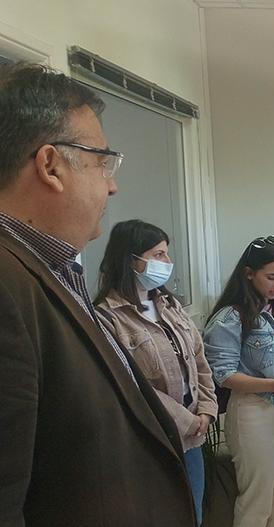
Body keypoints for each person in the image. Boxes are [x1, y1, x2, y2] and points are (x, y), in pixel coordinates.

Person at [0, 62, 194, 525]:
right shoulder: (8, 286)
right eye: (102, 162)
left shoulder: (50, 271)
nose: (112, 185)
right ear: (50, 166)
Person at [94, 219, 219, 524]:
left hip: (193, 437)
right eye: (158, 255)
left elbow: (198, 360)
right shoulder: (108, 316)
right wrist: (185, 421)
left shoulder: (170, 304)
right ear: (131, 260)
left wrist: (206, 409)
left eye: (167, 253)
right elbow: (131, 383)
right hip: (153, 438)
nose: (167, 262)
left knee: (193, 515)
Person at [205, 235, 274, 527]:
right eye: (271, 277)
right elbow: (224, 374)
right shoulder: (231, 317)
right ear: (249, 274)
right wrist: (273, 385)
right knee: (257, 500)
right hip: (254, 409)